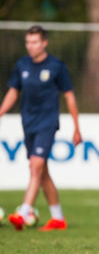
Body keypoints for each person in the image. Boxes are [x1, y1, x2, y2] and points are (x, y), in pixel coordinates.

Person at [0, 25, 82, 231]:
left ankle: (24, 211)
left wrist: (76, 127)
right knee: (43, 172)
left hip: (47, 123)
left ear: (44, 43)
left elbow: (69, 96)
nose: (30, 46)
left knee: (35, 166)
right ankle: (58, 218)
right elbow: (13, 92)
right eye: (28, 42)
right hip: (28, 123)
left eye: (35, 42)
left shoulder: (56, 66)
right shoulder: (22, 65)